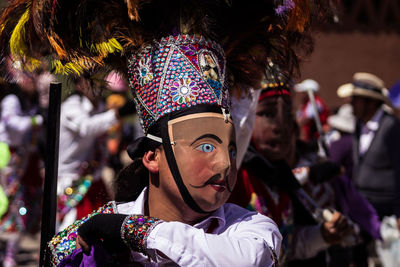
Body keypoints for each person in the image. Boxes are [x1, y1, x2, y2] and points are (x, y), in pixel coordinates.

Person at [0, 1, 336, 266]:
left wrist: (131, 231)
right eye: (206, 145)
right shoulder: (97, 229)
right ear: (151, 156)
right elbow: (60, 255)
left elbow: (245, 259)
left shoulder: (251, 229)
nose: (224, 165)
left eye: (231, 149)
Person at [228, 75, 356, 266]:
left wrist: (323, 235)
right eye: (268, 114)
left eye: (289, 115)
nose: (282, 126)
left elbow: (285, 246)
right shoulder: (232, 178)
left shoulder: (281, 179)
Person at [337, 72, 400, 267]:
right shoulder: (358, 125)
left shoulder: (392, 128)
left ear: (371, 103)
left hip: (385, 209)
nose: (351, 104)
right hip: (361, 206)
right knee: (358, 256)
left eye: (356, 100)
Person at [0, 61, 44, 267]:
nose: (34, 80)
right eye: (31, 75)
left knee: (20, 209)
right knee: (11, 207)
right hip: (8, 161)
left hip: (25, 163)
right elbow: (13, 125)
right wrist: (36, 121)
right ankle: (8, 256)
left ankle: (10, 256)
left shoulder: (29, 103)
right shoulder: (11, 100)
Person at [294, 79, 330, 143]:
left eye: (304, 92)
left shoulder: (316, 103)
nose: (302, 95)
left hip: (316, 140)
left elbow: (304, 120)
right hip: (308, 138)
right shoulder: (305, 104)